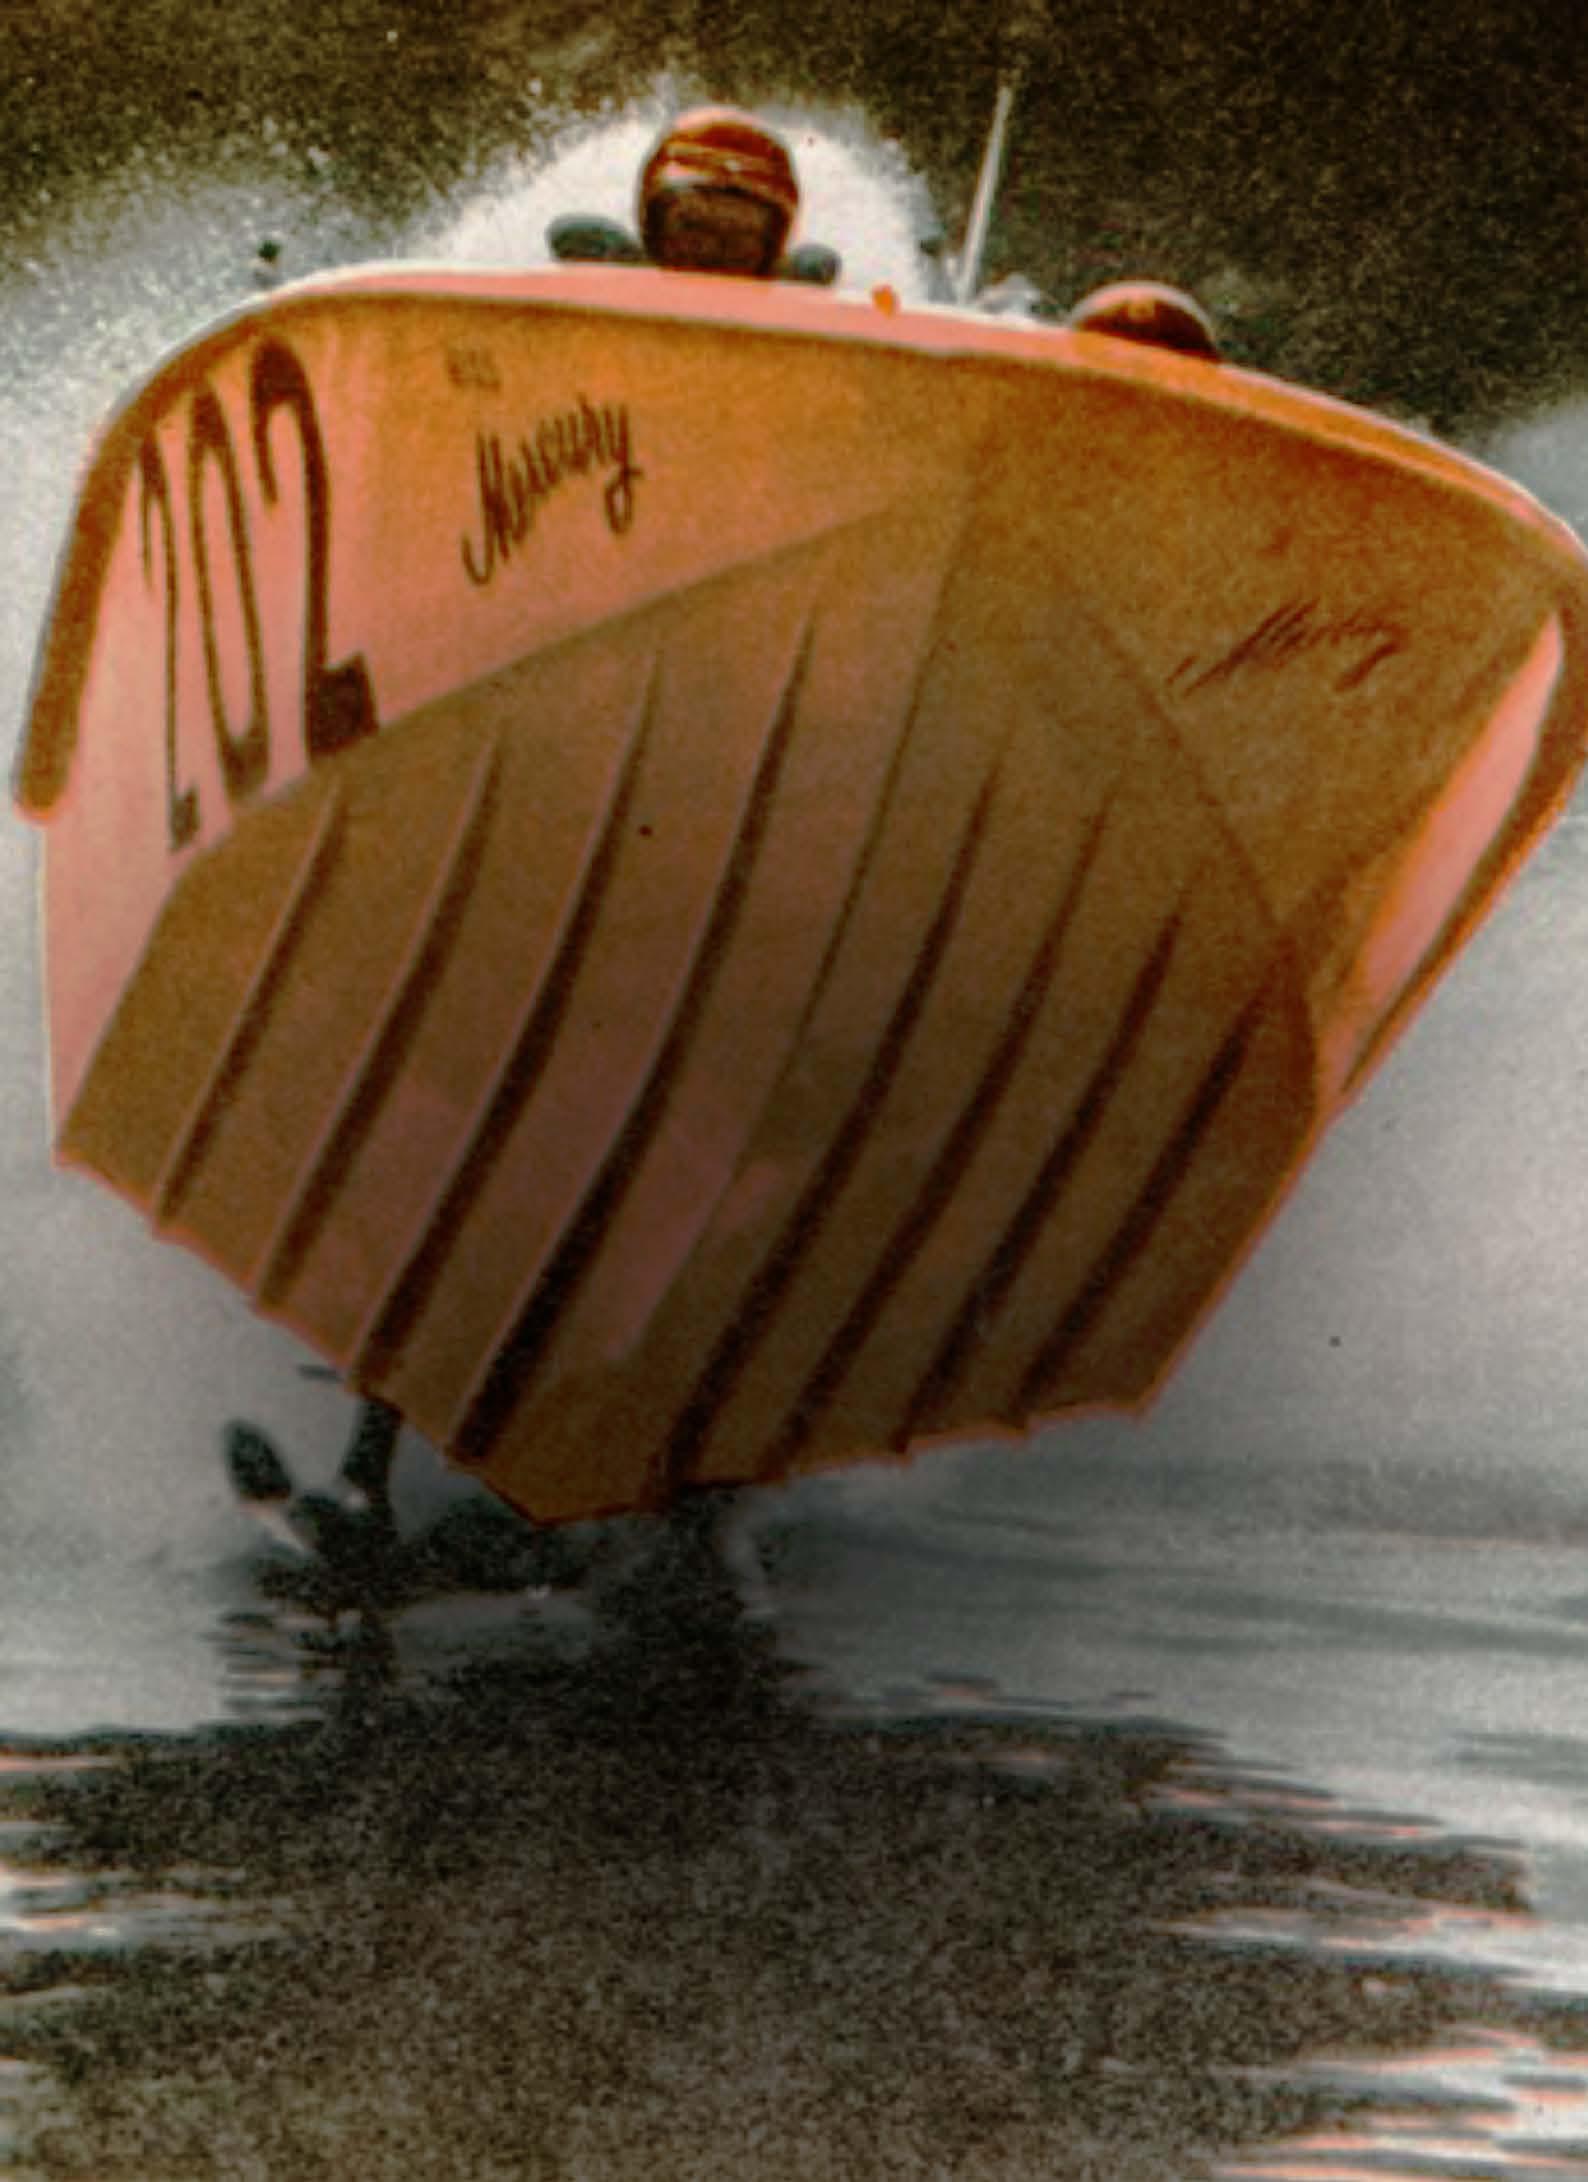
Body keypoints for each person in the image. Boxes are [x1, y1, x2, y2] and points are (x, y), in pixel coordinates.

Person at [548, 107, 839, 286]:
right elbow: (567, 233)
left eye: (737, 238)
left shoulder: (790, 290)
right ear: (654, 229)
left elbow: (820, 263)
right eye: (693, 229)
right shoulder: (626, 273)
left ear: (772, 247)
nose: (711, 254)